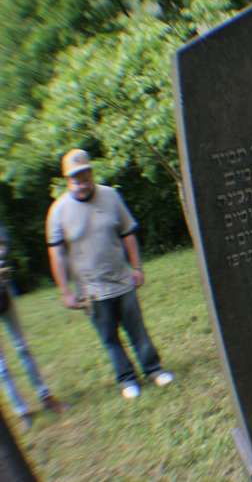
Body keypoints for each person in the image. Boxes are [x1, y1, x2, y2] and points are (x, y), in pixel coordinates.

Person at [46, 149, 173, 399]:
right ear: (67, 179)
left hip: (122, 281)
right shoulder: (58, 211)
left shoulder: (111, 196)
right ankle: (127, 379)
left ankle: (154, 369)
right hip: (91, 291)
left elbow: (128, 234)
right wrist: (65, 291)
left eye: (84, 174)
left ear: (91, 172)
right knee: (109, 337)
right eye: (75, 177)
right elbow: (57, 255)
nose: (81, 181)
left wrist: (137, 268)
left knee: (138, 330)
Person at [0, 224, 67, 431]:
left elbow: (3, 240)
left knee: (22, 348)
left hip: (2, 295)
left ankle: (45, 396)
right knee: (1, 366)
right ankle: (22, 411)